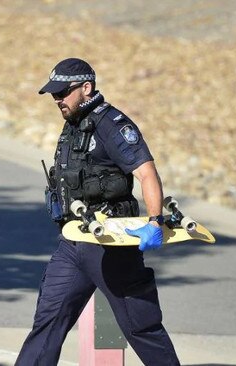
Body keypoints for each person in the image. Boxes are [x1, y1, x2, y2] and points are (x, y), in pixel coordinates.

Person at [15, 58, 179, 365]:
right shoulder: (74, 126)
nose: (57, 99)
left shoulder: (112, 125)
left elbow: (147, 173)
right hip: (74, 239)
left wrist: (155, 221)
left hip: (110, 243)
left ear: (86, 88)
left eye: (63, 92)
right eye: (54, 94)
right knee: (48, 321)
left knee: (139, 326)